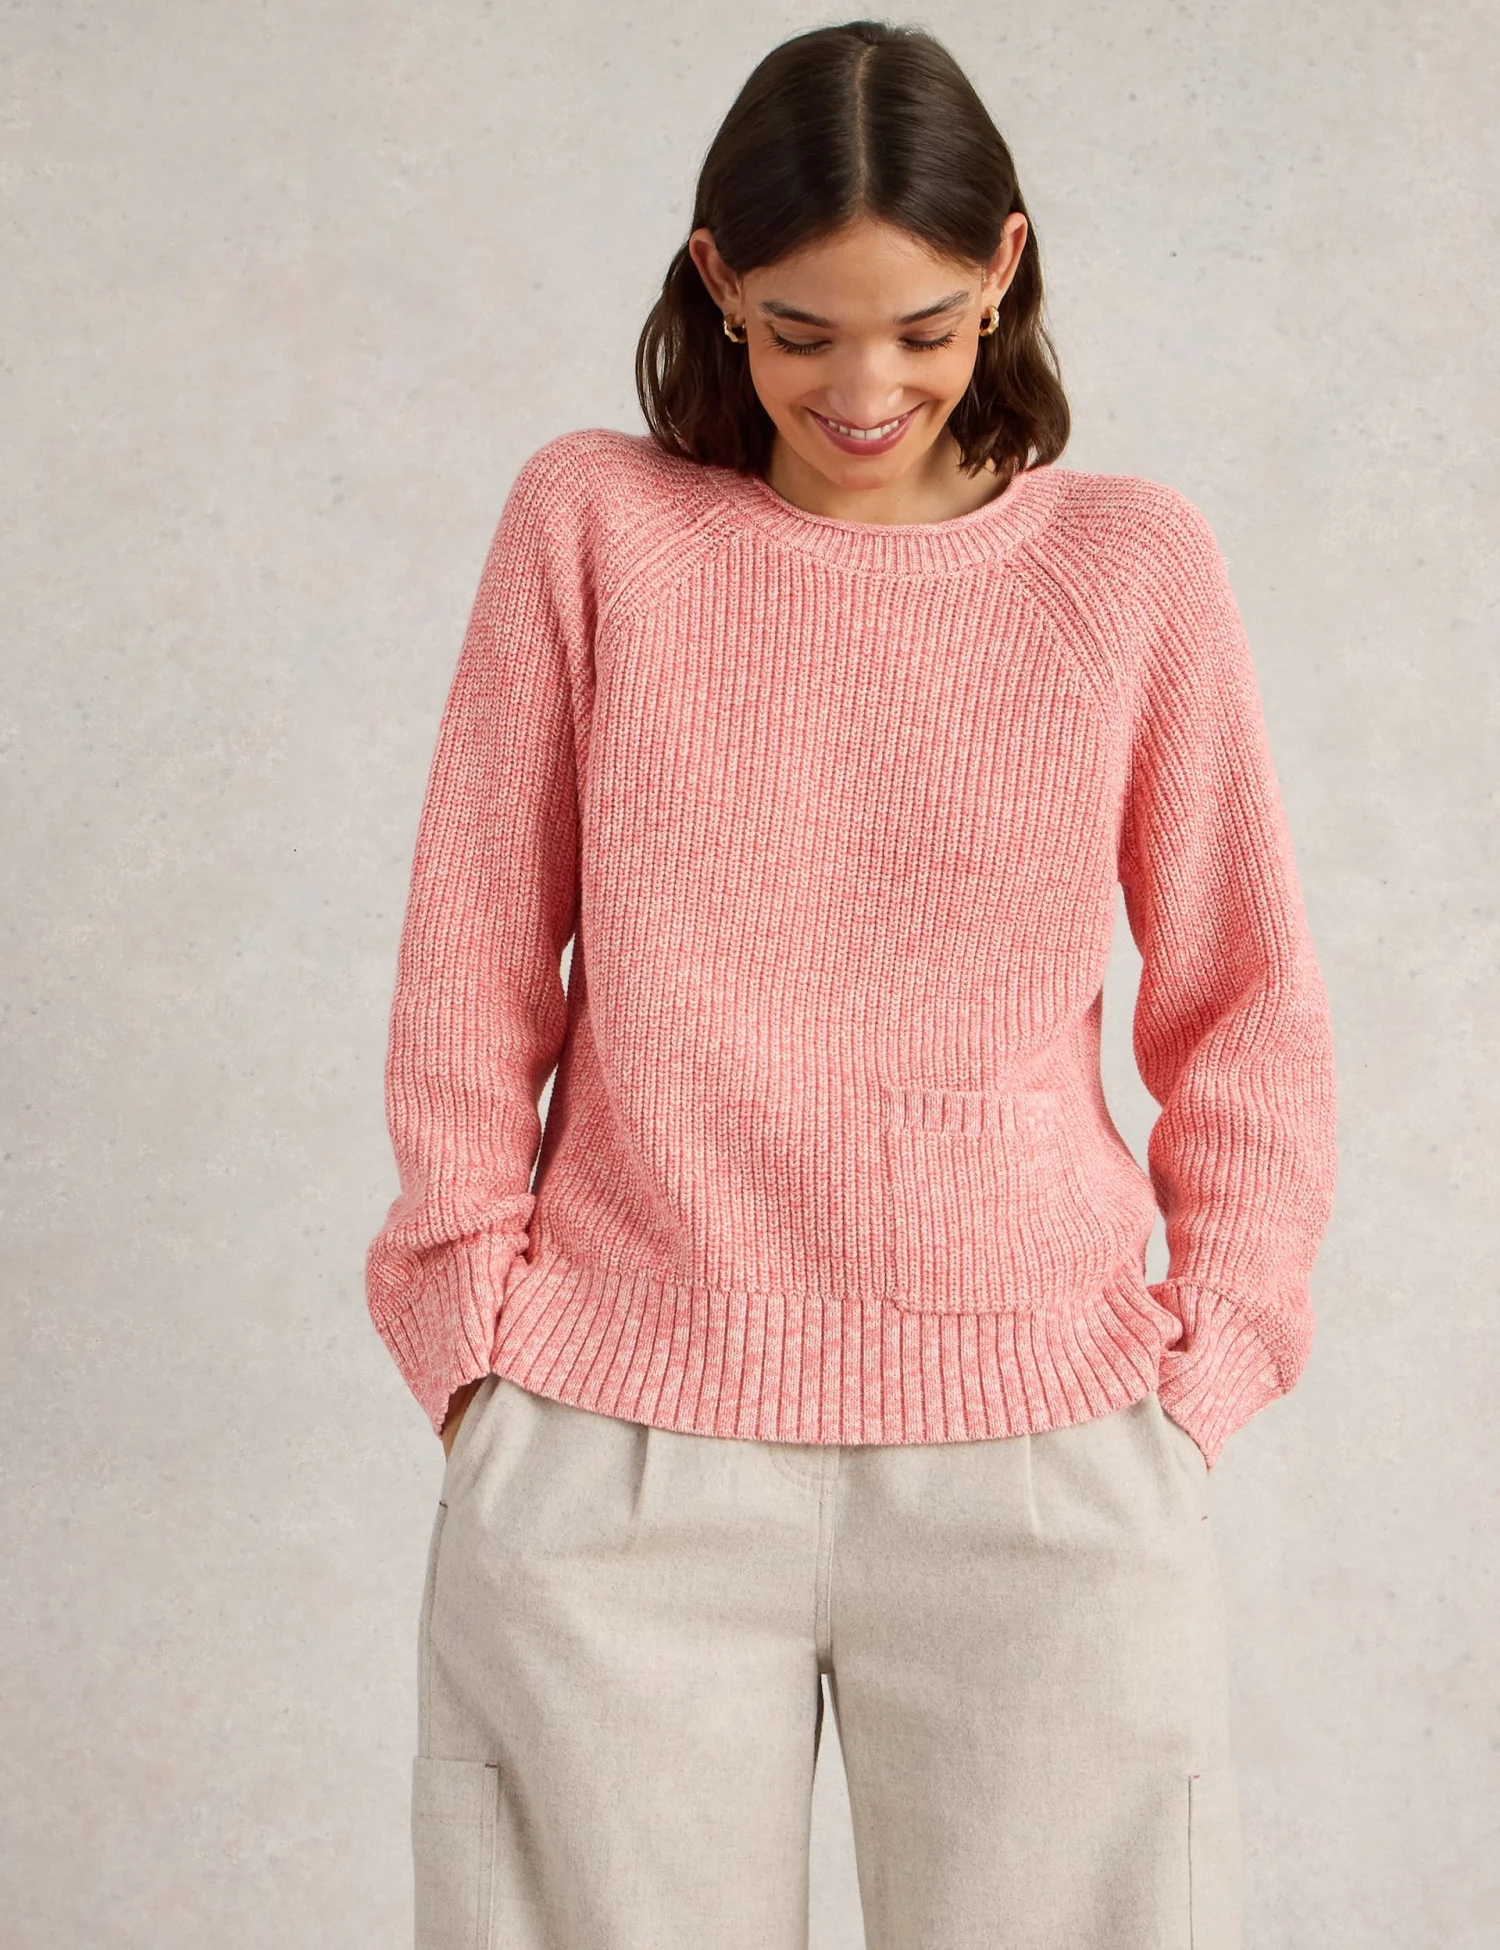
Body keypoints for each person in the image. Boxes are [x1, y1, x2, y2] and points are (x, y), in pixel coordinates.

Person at [365, 19, 1338, 1950]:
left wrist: (1210, 1359)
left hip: (1044, 1456)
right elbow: (471, 946)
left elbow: (1245, 997)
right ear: (717, 280)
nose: (864, 388)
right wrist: (473, 1340)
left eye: (924, 327)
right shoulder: (595, 527)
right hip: (616, 1446)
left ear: (1006, 267)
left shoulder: (1131, 569)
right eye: (803, 330)